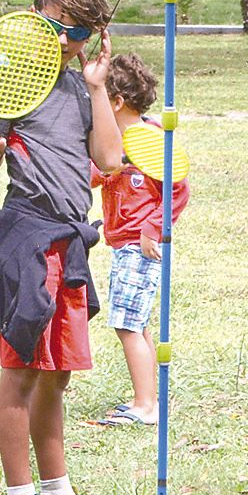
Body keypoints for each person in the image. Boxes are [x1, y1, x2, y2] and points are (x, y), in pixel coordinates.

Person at [0, 0, 127, 495]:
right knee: (21, 374)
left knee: (56, 376)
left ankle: (57, 494)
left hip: (69, 238)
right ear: (34, 18)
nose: (64, 42)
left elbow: (108, 162)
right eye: (56, 27)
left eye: (78, 33)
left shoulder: (82, 89)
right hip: (23, 238)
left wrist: (97, 84)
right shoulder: (10, 84)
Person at [93, 54, 189, 427]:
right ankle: (148, 398)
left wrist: (153, 227)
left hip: (140, 246)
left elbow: (178, 190)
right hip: (124, 246)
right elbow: (99, 172)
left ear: (116, 102)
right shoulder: (114, 143)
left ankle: (146, 406)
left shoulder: (150, 140)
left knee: (127, 325)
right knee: (138, 323)